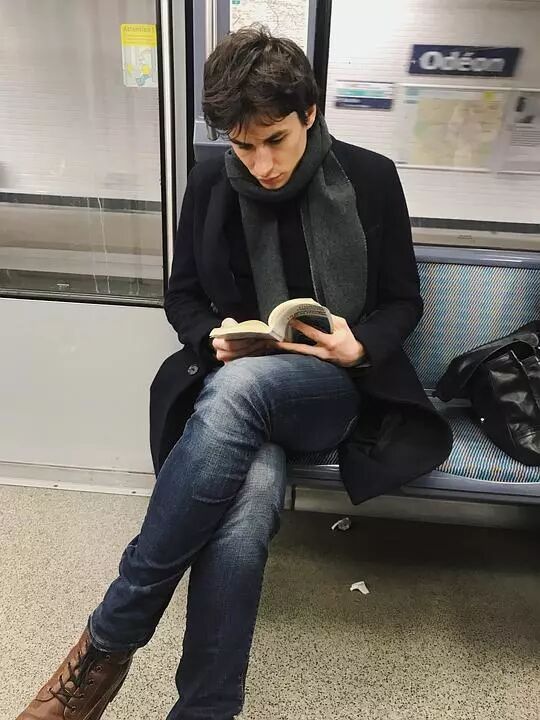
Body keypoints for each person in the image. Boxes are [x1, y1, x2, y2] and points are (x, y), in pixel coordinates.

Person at [17, 27, 452, 720]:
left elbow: (404, 299)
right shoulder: (211, 183)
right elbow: (183, 296)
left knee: (240, 392)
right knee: (246, 508)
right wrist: (212, 337)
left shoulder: (369, 178)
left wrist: (358, 345)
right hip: (238, 387)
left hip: (331, 389)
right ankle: (208, 710)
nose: (262, 164)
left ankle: (108, 639)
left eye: (275, 140)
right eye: (243, 147)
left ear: (309, 113)